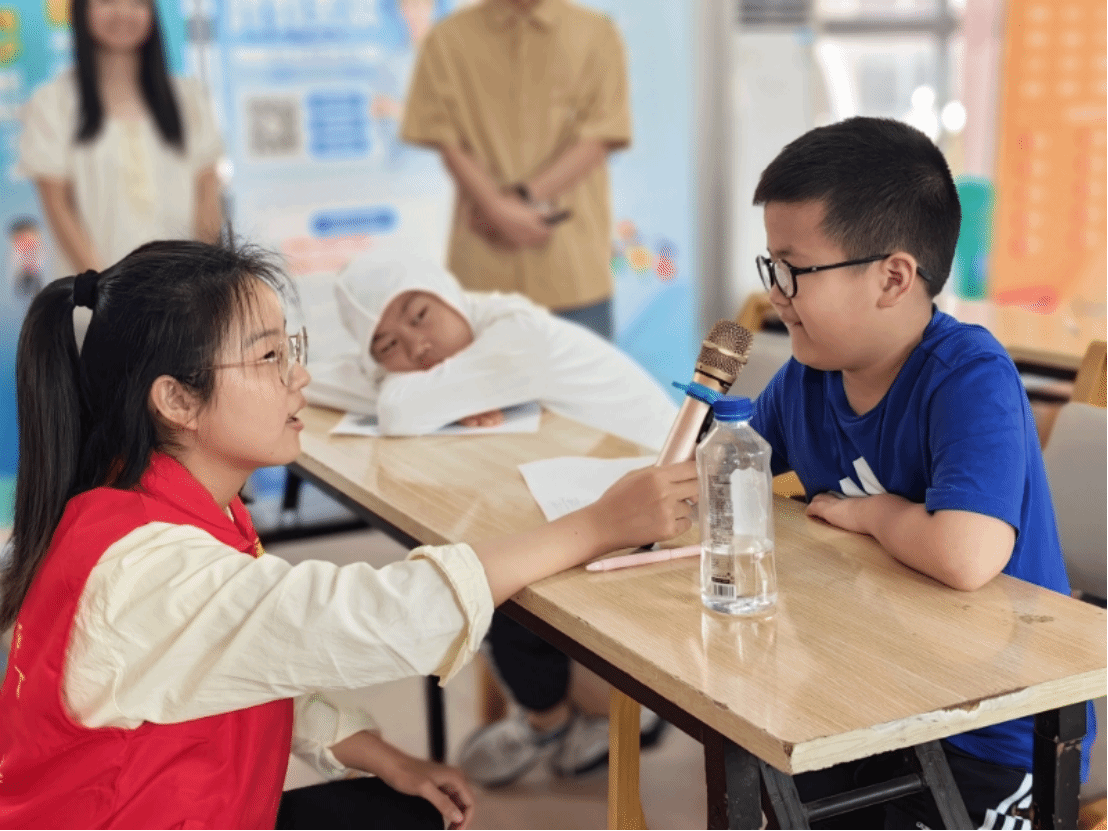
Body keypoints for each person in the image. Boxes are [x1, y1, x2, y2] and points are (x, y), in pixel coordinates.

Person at [0, 240, 697, 829]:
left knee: (412, 805)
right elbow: (386, 615)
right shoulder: (150, 572)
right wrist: (599, 525)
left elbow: (251, 656)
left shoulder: (137, 507)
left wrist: (376, 752)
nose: (299, 376)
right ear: (177, 399)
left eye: (290, 349)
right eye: (268, 357)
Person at [747, 116, 1094, 830]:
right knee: (764, 789)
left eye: (793, 269)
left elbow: (966, 554)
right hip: (865, 699)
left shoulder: (969, 376)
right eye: (770, 267)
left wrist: (870, 512)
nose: (777, 293)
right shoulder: (807, 378)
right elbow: (727, 468)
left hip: (993, 728)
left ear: (893, 277)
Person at [401, 0, 630, 339]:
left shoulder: (597, 34)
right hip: (481, 273)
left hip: (573, 268)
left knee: (582, 372)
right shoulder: (447, 38)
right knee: (484, 372)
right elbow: (446, 140)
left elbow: (599, 137)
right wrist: (496, 207)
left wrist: (511, 203)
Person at [308, 247, 677, 449]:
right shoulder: (471, 340)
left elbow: (397, 410)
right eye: (388, 345)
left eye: (419, 315)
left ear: (446, 294)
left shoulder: (520, 333)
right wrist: (451, 400)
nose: (417, 345)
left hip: (676, 483)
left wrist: (439, 400)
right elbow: (314, 380)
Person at [18, 0, 222, 278]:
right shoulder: (52, 102)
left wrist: (203, 277)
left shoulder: (189, 98)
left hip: (183, 292)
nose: (123, 12)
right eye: (107, 1)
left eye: (137, 2)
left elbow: (208, 194)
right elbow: (58, 206)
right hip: (94, 292)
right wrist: (103, 287)